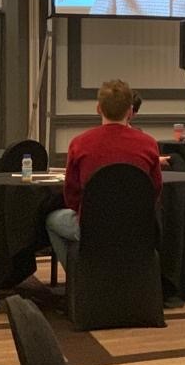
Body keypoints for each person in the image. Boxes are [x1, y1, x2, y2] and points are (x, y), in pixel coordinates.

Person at [45, 80, 163, 274]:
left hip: (93, 227)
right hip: (136, 227)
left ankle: (80, 277)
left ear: (98, 108)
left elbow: (71, 194)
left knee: (51, 220)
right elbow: (155, 190)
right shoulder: (149, 144)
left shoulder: (79, 144)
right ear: (130, 111)